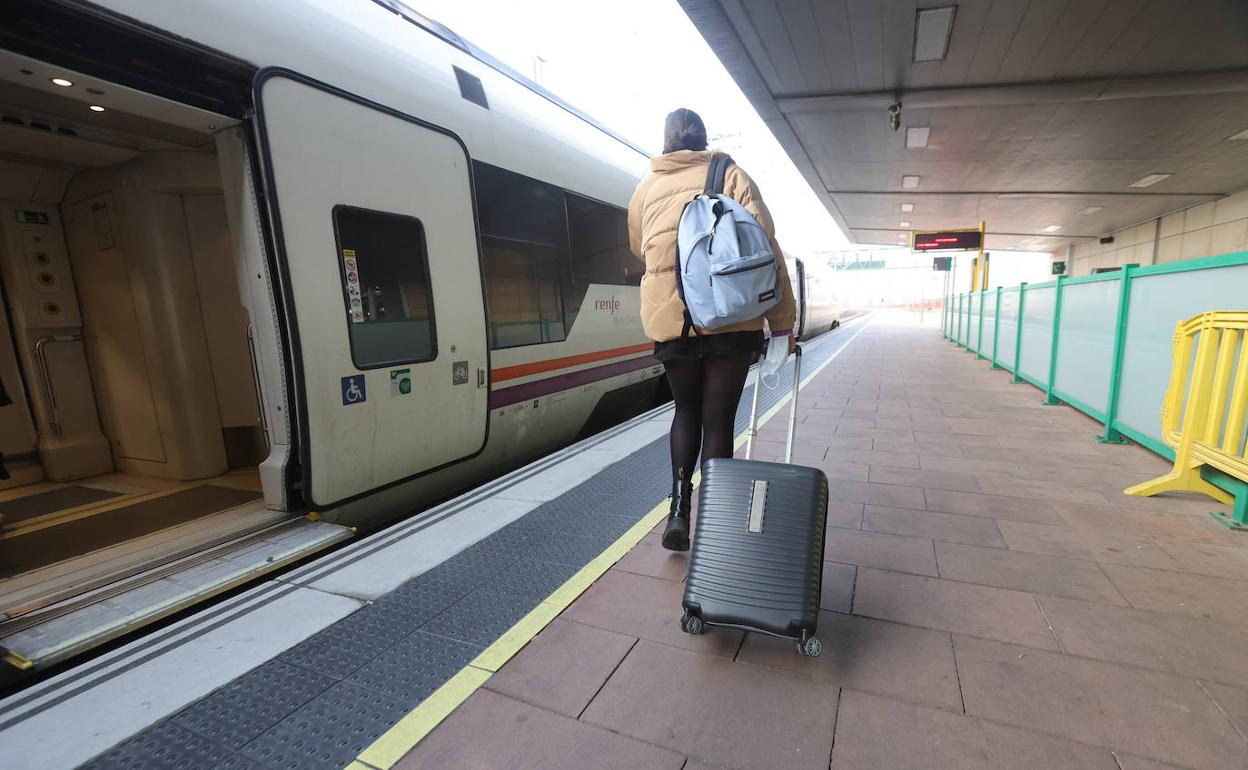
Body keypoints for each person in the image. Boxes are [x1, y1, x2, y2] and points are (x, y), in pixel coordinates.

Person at [627, 108, 796, 551]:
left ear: (667, 140)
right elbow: (766, 247)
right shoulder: (732, 175)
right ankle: (714, 520)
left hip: (674, 320)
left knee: (685, 412)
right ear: (703, 139)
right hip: (731, 318)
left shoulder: (646, 188)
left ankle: (678, 509)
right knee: (718, 420)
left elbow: (641, 248)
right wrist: (782, 323)